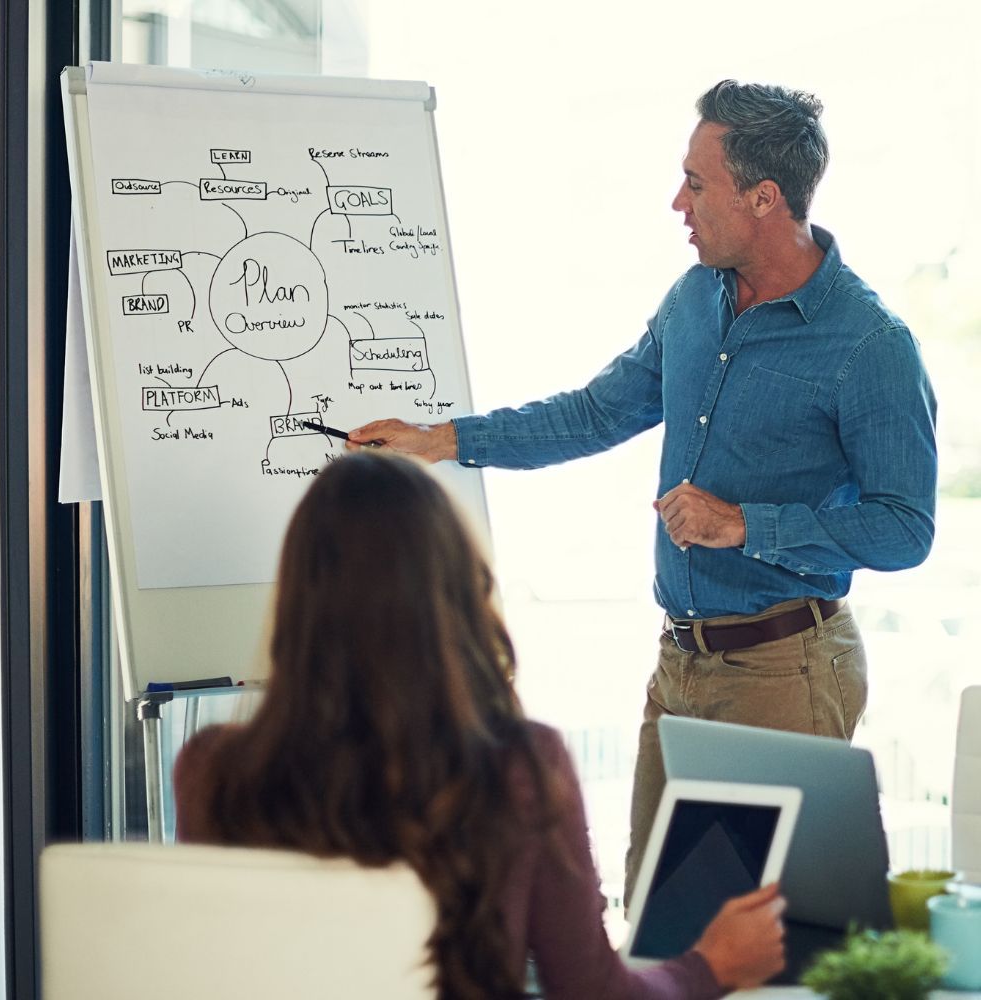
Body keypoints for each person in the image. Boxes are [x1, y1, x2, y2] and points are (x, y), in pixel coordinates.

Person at [345, 79, 939, 905]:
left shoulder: (870, 343)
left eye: (697, 184)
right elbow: (597, 412)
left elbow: (905, 528)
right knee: (657, 918)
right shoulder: (694, 299)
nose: (677, 203)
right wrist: (440, 440)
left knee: (761, 944)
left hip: (784, 672)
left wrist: (746, 527)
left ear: (764, 197)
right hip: (681, 666)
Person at [174, 452, 787, 999]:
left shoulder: (211, 771)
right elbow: (591, 992)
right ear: (455, 594)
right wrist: (712, 964)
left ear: (298, 600)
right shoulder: (520, 767)